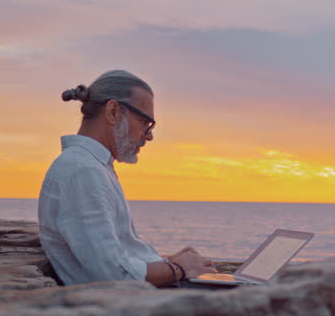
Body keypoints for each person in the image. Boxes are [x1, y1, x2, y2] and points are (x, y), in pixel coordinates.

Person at [38, 70, 216, 287]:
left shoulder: (92, 167)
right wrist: (179, 269)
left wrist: (168, 261)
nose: (149, 136)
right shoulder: (83, 171)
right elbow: (112, 274)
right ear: (113, 112)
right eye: (145, 122)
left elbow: (112, 256)